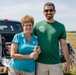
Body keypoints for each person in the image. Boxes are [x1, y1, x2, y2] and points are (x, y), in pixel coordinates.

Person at [33, 2, 70, 75]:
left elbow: (63, 45)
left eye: (51, 10)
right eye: (46, 11)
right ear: (43, 12)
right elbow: (30, 40)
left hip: (55, 63)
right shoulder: (37, 25)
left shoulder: (60, 26)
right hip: (40, 62)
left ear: (54, 11)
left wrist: (67, 61)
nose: (48, 12)